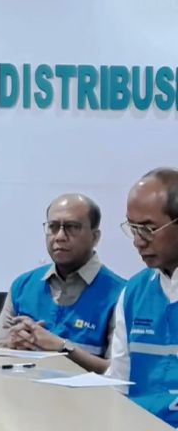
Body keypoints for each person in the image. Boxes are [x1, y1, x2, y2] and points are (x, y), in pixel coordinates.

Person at [0, 193, 125, 374]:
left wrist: (63, 347)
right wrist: (11, 345)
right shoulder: (23, 286)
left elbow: (117, 372)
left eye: (72, 227)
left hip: (88, 392)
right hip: (24, 389)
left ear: (95, 237)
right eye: (53, 227)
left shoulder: (120, 294)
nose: (60, 236)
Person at [106, 167, 178, 427]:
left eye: (148, 229)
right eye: (133, 228)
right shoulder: (135, 292)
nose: (137, 241)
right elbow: (117, 384)